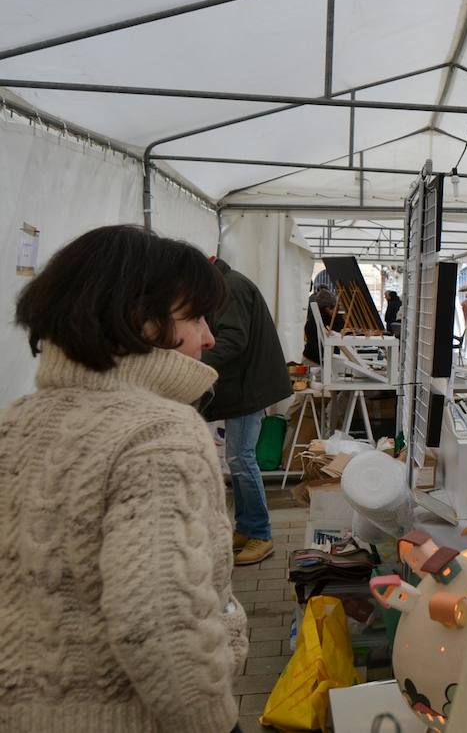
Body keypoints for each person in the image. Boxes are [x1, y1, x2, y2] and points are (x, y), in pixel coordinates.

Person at [1, 225, 247, 731]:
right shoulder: (160, 433)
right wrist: (215, 720)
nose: (208, 337)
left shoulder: (14, 423)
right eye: (195, 316)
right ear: (142, 321)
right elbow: (159, 622)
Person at [203, 256, 292, 566]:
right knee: (237, 459)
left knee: (242, 459)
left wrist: (194, 359)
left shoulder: (231, 288)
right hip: (246, 384)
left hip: (249, 387)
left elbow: (233, 339)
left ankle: (261, 534)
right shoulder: (227, 286)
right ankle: (247, 527)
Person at [303, 288, 345, 365]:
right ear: (323, 308)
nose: (333, 310)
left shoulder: (338, 319)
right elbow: (315, 346)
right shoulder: (313, 322)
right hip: (314, 360)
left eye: (335, 307)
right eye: (330, 308)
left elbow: (344, 332)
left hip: (330, 360)